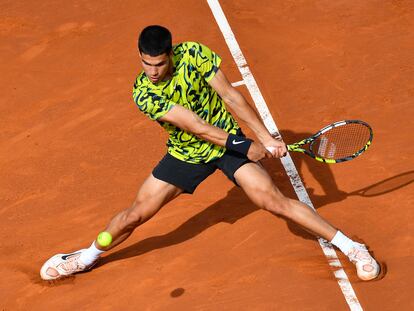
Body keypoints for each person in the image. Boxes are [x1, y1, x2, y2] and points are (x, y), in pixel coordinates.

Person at [40, 25, 381, 282]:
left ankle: (352, 247)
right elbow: (196, 128)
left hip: (228, 144)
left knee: (272, 200)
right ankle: (86, 256)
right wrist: (246, 145)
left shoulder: (195, 55)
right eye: (146, 64)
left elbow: (232, 98)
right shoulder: (144, 93)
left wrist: (264, 136)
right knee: (135, 215)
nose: (153, 71)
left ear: (171, 54)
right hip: (187, 153)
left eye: (158, 64)